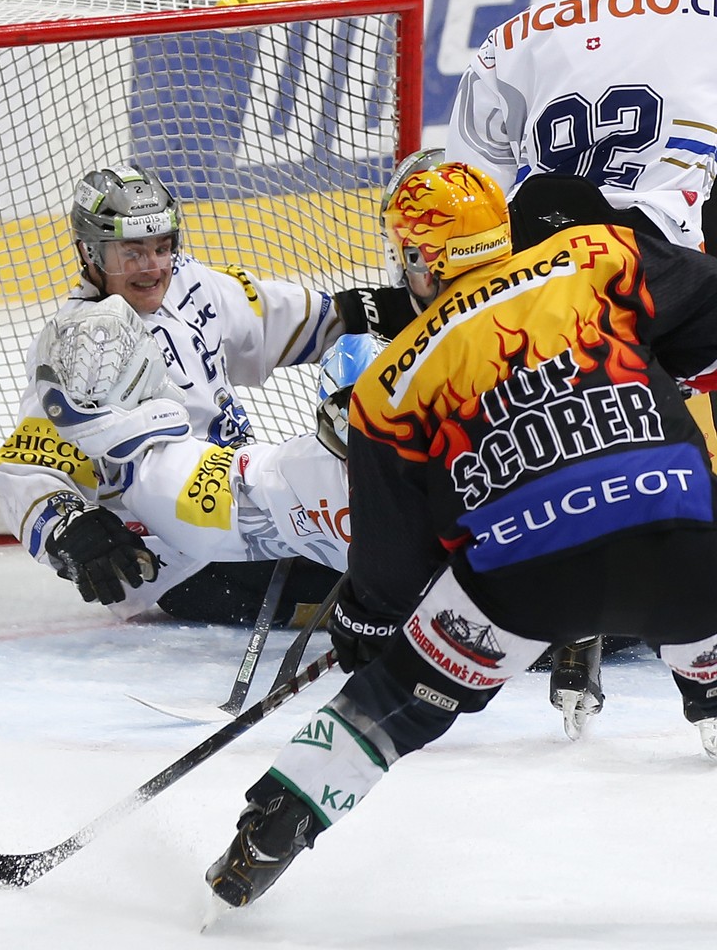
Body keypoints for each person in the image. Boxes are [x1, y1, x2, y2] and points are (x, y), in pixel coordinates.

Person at [183, 155, 717, 920]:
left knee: (397, 699)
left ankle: (272, 826)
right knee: (694, 575)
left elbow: (392, 567)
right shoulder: (599, 253)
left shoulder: (388, 384)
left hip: (526, 581)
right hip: (685, 539)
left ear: (419, 259)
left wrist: (367, 625)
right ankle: (710, 684)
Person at [447, 0, 717, 725]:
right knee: (675, 446)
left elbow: (471, 196)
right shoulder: (704, 1)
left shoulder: (505, 42)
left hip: (547, 288)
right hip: (661, 270)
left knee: (586, 437)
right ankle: (704, 682)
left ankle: (575, 630)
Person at [0, 164, 415, 625]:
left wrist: (385, 310)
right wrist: (69, 526)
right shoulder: (84, 341)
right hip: (185, 560)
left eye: (161, 247)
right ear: (89, 253)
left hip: (244, 497)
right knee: (396, 581)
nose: (152, 267)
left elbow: (279, 320)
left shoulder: (188, 282)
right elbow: (27, 464)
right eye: (131, 253)